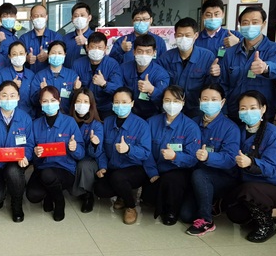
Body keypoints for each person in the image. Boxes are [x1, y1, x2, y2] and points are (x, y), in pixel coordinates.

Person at [227, 90, 276, 243]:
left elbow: (272, 169)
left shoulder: (275, 135)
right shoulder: (238, 131)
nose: (248, 112)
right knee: (235, 214)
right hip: (249, 183)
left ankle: (267, 225)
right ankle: (254, 216)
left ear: (263, 109)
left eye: (253, 108)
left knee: (249, 190)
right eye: (243, 108)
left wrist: (251, 163)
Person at [184, 84, 240, 236]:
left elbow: (230, 159)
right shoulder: (192, 122)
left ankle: (206, 220)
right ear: (199, 101)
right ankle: (212, 202)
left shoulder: (230, 128)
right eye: (205, 99)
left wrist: (209, 157)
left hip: (222, 176)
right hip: (196, 175)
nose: (209, 103)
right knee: (186, 216)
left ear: (222, 102)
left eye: (214, 99)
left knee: (200, 174)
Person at [210, 6, 276, 121]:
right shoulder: (230, 53)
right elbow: (223, 84)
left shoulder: (274, 49)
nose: (250, 26)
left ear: (263, 24)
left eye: (255, 22)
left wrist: (266, 67)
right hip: (235, 111)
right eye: (245, 22)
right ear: (240, 25)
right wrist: (223, 110)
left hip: (261, 113)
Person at [143, 85, 202, 225]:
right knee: (148, 198)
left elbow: (193, 158)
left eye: (176, 101)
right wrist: (152, 172)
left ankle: (171, 211)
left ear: (183, 102)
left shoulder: (191, 127)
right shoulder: (151, 122)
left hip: (177, 171)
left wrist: (176, 157)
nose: (171, 104)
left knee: (172, 181)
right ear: (162, 102)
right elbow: (146, 151)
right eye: (167, 100)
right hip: (155, 170)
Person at [0, 81, 35, 222]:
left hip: (14, 162)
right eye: (4, 95)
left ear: (18, 97)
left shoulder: (25, 118)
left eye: (12, 95)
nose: (8, 99)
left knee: (13, 172)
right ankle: (4, 188)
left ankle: (17, 202)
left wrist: (26, 156)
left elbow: (29, 144)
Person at [27, 86, 85, 221]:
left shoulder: (69, 122)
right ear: (40, 103)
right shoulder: (35, 124)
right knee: (32, 195)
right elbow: (30, 151)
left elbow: (81, 153)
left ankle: (59, 201)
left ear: (59, 101)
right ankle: (50, 194)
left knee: (48, 174)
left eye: (53, 100)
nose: (49, 104)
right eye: (45, 101)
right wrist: (35, 153)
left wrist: (74, 148)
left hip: (65, 169)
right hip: (42, 168)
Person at [94, 87, 151, 224]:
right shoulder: (107, 122)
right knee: (99, 189)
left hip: (134, 169)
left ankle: (131, 206)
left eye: (124, 102)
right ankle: (122, 195)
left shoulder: (141, 125)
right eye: (117, 102)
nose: (120, 106)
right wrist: (102, 167)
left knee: (118, 177)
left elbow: (145, 153)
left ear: (132, 103)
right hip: (113, 167)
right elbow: (101, 150)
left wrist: (129, 150)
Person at [157, 17, 216, 117]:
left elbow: (211, 86)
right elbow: (160, 84)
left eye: (188, 35)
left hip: (197, 110)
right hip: (172, 108)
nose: (183, 39)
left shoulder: (207, 57)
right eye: (180, 35)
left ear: (196, 35)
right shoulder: (165, 58)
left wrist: (215, 75)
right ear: (175, 36)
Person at [68, 88, 104, 213]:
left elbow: (97, 153)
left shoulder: (96, 124)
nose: (82, 104)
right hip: (70, 156)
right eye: (79, 101)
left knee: (83, 165)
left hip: (89, 160)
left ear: (91, 105)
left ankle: (88, 195)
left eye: (85, 101)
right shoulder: (67, 121)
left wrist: (95, 144)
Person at [72, 31, 122, 117]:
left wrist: (104, 84)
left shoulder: (112, 64)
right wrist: (75, 89)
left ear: (105, 49)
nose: (96, 50)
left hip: (106, 109)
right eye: (93, 47)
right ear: (87, 47)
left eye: (100, 47)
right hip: (84, 108)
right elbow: (69, 88)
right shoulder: (77, 64)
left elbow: (118, 89)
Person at [120, 33, 170, 119]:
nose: (144, 55)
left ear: (154, 53)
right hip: (127, 113)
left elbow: (164, 101)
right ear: (134, 52)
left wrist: (152, 90)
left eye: (148, 52)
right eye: (140, 51)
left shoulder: (161, 74)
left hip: (152, 116)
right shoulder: (124, 68)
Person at [32, 40, 81, 114]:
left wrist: (77, 90)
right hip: (44, 116)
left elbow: (77, 101)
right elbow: (33, 101)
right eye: (53, 53)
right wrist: (41, 91)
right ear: (48, 54)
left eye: (60, 53)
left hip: (67, 116)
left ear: (65, 54)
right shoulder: (40, 76)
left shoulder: (72, 75)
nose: (56, 55)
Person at [0, 40, 36, 117]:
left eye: (21, 54)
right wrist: (10, 86)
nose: (18, 56)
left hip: (27, 116)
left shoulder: (31, 75)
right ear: (9, 56)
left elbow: (34, 100)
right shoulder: (2, 74)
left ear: (26, 54)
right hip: (6, 115)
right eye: (14, 54)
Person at [20, 3, 60, 73]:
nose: (39, 18)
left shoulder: (56, 37)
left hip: (51, 75)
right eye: (36, 16)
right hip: (30, 76)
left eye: (42, 16)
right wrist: (26, 58)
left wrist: (48, 56)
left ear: (46, 17)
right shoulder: (24, 38)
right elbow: (17, 56)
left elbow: (62, 56)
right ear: (31, 18)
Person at [62, 1, 95, 66]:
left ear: (89, 18)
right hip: (69, 72)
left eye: (82, 15)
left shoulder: (96, 37)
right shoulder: (65, 39)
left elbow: (101, 59)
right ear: (72, 19)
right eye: (76, 16)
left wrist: (86, 43)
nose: (79, 18)